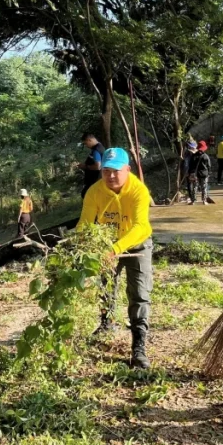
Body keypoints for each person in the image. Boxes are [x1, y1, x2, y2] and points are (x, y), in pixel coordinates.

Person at [79, 148, 153, 369]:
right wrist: (79, 246)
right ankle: (107, 323)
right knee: (106, 287)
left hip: (136, 245)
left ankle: (138, 344)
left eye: (116, 171)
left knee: (139, 292)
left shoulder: (138, 190)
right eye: (106, 171)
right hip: (106, 244)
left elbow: (141, 226)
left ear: (127, 169)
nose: (111, 176)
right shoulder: (94, 191)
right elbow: (85, 224)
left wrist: (116, 249)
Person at [80, 133, 106, 198]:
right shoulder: (100, 147)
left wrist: (85, 166)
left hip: (94, 180)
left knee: (86, 195)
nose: (86, 145)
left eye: (86, 143)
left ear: (89, 140)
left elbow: (98, 166)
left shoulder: (96, 150)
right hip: (96, 180)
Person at [188, 141, 211, 205]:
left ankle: (193, 201)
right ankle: (204, 201)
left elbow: (190, 165)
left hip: (195, 174)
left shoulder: (194, 156)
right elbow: (209, 166)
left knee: (194, 187)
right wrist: (209, 173)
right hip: (204, 173)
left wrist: (190, 173)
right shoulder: (206, 156)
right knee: (204, 187)